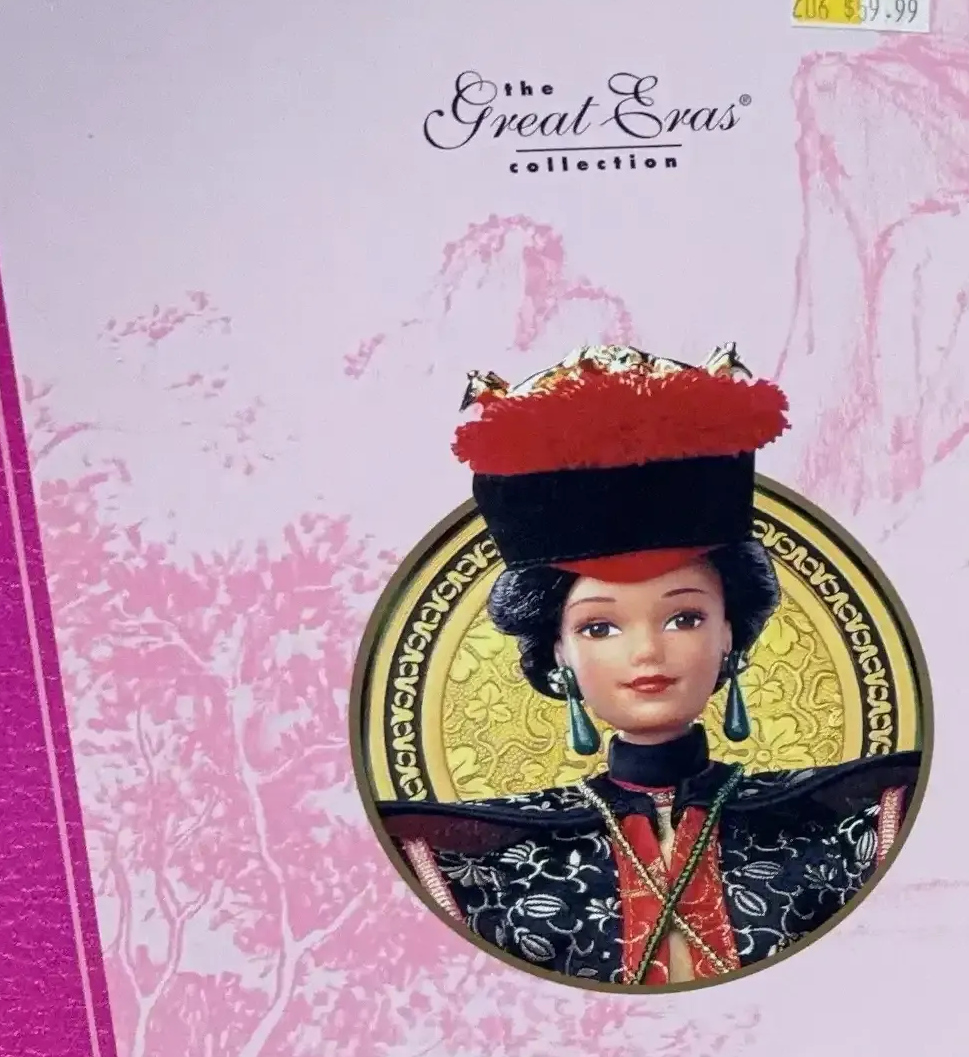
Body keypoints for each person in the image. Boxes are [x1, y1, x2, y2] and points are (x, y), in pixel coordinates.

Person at [376, 343, 918, 986]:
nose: (646, 652)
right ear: (559, 650)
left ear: (729, 633)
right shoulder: (476, 865)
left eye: (683, 617)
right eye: (599, 627)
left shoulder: (848, 826)